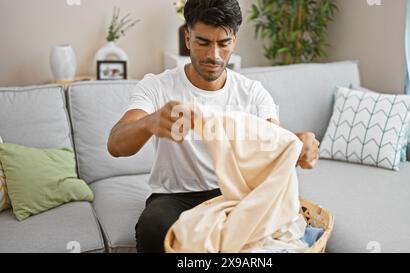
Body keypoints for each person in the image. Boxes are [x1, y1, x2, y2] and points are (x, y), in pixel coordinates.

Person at [107, 0, 320, 253]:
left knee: (270, 233)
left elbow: (274, 141)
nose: (214, 56)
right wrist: (151, 122)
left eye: (223, 43)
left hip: (237, 192)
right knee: (154, 227)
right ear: (188, 38)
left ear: (235, 41)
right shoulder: (157, 87)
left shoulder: (253, 93)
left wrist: (299, 144)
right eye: (203, 42)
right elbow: (115, 145)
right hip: (175, 196)